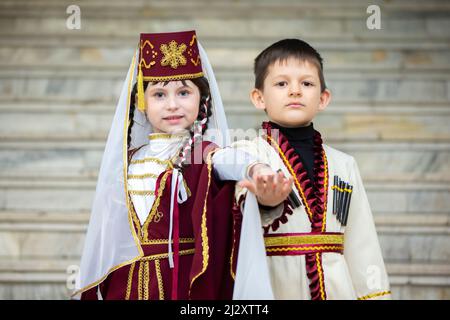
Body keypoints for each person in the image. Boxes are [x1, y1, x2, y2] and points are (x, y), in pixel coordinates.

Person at [72, 30, 292, 300]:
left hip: (181, 288)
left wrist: (256, 169)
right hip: (123, 288)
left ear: (202, 99)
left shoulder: (201, 154)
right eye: (159, 95)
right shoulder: (126, 163)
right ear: (142, 102)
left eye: (184, 92)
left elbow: (228, 160)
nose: (172, 104)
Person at [232, 39, 392, 300]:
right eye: (281, 83)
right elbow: (233, 212)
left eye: (306, 83)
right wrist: (265, 202)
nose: (295, 91)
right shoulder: (245, 154)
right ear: (258, 97)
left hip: (338, 288)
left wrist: (374, 295)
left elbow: (362, 242)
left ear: (323, 98)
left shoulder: (344, 164)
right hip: (273, 284)